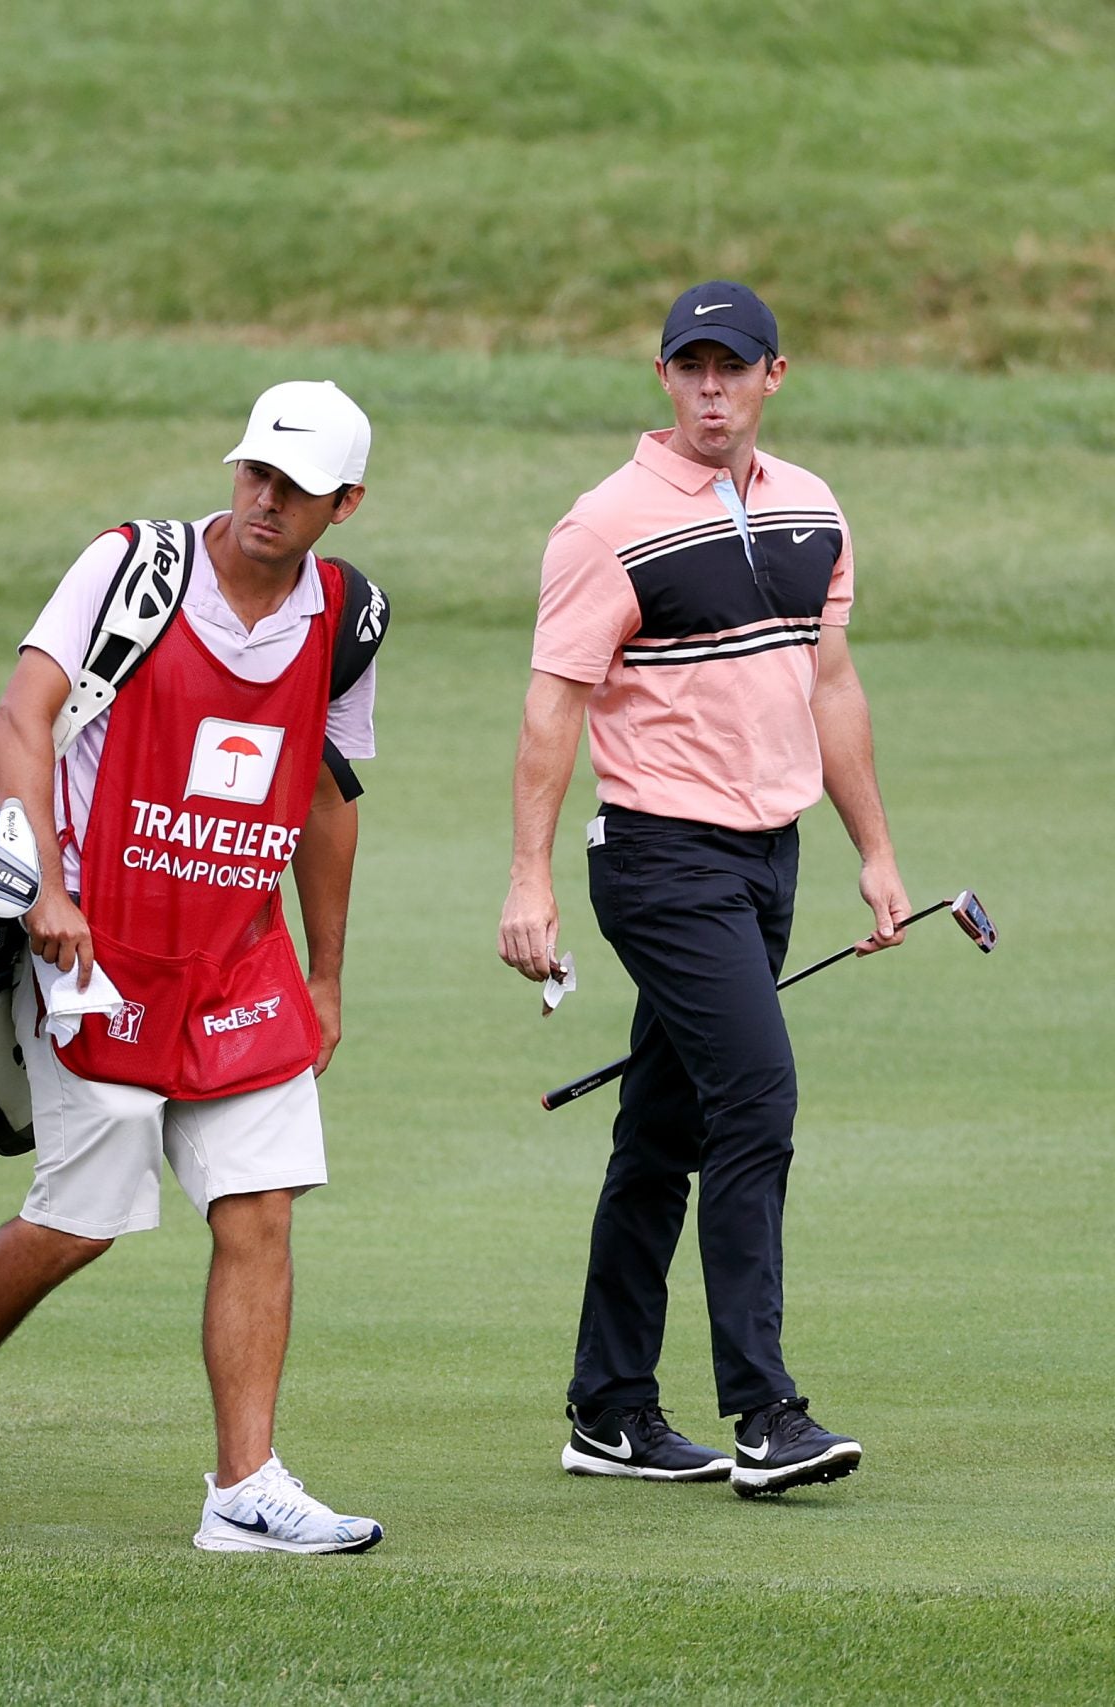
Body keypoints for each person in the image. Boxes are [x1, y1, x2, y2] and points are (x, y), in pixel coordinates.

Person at [0, 381, 386, 1554]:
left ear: (344, 504)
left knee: (259, 1210)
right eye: (254, 473)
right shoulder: (132, 569)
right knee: (80, 1221)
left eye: (296, 488)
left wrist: (326, 975)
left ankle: (243, 1486)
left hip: (238, 960)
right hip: (95, 954)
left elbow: (323, 795)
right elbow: (20, 720)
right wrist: (46, 890)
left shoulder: (348, 616)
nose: (265, 500)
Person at [498, 282, 911, 1497]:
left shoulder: (812, 507)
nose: (711, 389)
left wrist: (874, 850)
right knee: (755, 1096)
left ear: (774, 374)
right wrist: (529, 881)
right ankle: (765, 1414)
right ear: (664, 377)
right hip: (660, 859)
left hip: (768, 857)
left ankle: (609, 1410)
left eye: (733, 366)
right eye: (691, 367)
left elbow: (829, 683)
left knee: (659, 1132)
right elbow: (553, 705)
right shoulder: (604, 525)